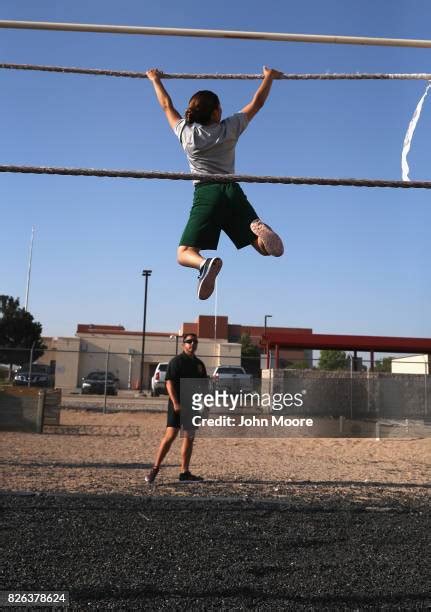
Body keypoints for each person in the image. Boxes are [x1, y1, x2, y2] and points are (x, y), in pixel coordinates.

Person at [146, 66, 285, 300]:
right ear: (214, 114)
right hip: (232, 192)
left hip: (206, 194)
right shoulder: (229, 129)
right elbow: (257, 103)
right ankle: (263, 233)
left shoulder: (187, 134)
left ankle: (204, 264)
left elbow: (166, 106)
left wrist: (155, 79)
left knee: (184, 253)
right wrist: (269, 78)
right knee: (260, 248)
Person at [145, 332, 207, 484]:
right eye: (189, 341)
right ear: (183, 344)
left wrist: (204, 404)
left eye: (195, 342)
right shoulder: (176, 362)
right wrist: (176, 403)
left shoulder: (199, 365)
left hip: (192, 405)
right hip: (178, 405)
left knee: (189, 437)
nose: (192, 344)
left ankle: (184, 472)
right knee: (170, 437)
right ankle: (155, 469)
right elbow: (169, 383)